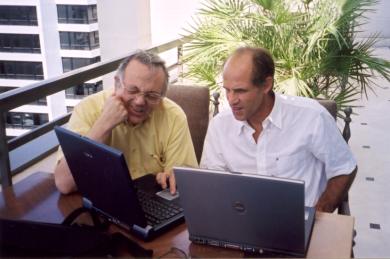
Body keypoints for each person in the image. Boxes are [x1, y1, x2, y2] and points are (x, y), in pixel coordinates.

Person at [200, 47, 357, 212]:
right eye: (227, 90)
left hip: (300, 222)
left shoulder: (312, 117)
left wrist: (319, 215)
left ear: (266, 85)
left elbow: (345, 168)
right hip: (241, 222)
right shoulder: (219, 126)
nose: (231, 100)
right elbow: (212, 183)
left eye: (240, 91)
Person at [54, 50, 197, 195]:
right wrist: (103, 125)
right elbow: (64, 184)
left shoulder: (173, 116)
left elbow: (187, 182)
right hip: (102, 201)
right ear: (117, 83)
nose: (140, 101)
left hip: (153, 205)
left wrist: (173, 178)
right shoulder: (88, 109)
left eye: (152, 95)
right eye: (132, 90)